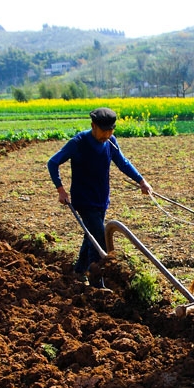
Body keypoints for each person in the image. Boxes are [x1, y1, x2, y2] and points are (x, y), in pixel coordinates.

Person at [47, 107, 153, 288]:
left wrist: (141, 181)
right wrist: (61, 190)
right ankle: (97, 282)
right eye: (104, 131)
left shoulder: (110, 142)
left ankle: (80, 271)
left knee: (91, 236)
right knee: (100, 239)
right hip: (84, 199)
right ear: (93, 126)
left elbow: (123, 162)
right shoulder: (78, 143)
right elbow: (53, 162)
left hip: (102, 198)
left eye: (111, 131)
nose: (107, 135)